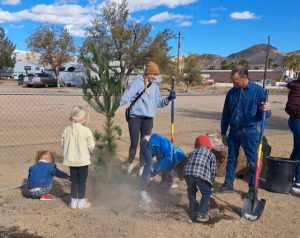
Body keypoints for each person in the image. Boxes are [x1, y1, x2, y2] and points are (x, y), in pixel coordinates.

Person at [215, 65, 271, 198]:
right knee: (231, 159)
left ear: (245, 77)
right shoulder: (231, 92)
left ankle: (252, 190)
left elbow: (266, 114)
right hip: (234, 130)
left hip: (250, 132)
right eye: (233, 82)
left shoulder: (258, 91)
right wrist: (224, 132)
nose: (234, 84)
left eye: (236, 81)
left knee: (253, 161)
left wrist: (267, 109)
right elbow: (226, 114)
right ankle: (228, 185)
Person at [120, 61, 176, 175]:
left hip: (148, 119)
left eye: (156, 75)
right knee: (134, 143)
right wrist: (115, 104)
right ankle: (130, 164)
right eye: (153, 74)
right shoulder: (137, 82)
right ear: (147, 73)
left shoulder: (155, 85)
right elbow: (128, 95)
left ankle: (141, 166)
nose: (154, 77)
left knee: (144, 144)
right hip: (135, 117)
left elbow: (159, 103)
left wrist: (169, 98)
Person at [61, 106, 96, 209]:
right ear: (82, 118)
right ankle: (81, 202)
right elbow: (91, 146)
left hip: (71, 161)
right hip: (83, 161)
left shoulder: (66, 130)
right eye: (85, 118)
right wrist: (90, 151)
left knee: (74, 181)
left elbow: (62, 144)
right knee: (82, 182)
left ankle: (73, 202)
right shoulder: (86, 130)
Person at [139, 133, 186, 203]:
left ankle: (163, 181)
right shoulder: (170, 160)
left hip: (153, 141)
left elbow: (165, 163)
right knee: (148, 166)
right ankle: (142, 189)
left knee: (165, 167)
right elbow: (157, 167)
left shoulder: (177, 155)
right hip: (146, 143)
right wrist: (151, 174)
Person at [183, 135, 217, 222]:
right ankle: (201, 214)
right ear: (208, 145)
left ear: (196, 144)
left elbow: (187, 161)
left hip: (187, 173)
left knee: (191, 190)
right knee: (206, 193)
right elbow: (213, 171)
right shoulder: (211, 154)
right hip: (201, 175)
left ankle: (193, 207)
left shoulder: (192, 152)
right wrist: (211, 182)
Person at [285, 75, 300, 193]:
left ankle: (290, 175)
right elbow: (290, 107)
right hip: (296, 122)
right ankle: (297, 181)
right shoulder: (297, 88)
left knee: (297, 149)